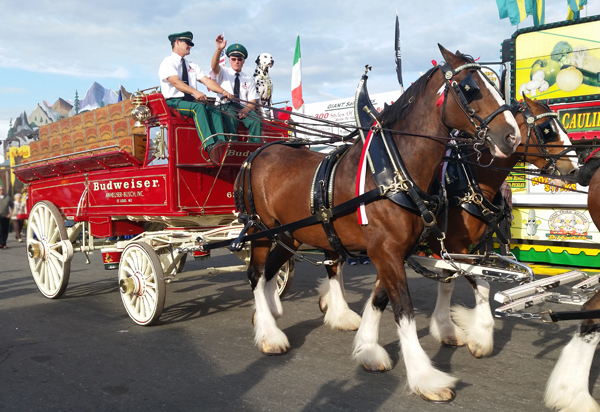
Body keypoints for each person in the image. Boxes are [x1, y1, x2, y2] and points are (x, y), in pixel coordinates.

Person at [158, 31, 234, 150]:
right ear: (177, 42)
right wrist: (195, 92)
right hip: (172, 102)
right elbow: (175, 82)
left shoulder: (192, 65)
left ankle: (221, 144)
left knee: (213, 108)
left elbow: (207, 81)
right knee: (198, 108)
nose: (190, 46)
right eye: (187, 43)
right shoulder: (168, 62)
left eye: (191, 43)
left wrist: (223, 92)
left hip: (190, 101)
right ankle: (208, 145)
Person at [211, 35, 262, 141]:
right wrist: (219, 50)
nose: (236, 61)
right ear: (229, 60)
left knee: (256, 120)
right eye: (233, 59)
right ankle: (233, 146)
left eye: (239, 59)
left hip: (243, 108)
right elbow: (214, 66)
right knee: (231, 118)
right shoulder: (223, 72)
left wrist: (246, 110)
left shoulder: (248, 79)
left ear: (243, 61)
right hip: (226, 106)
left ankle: (253, 148)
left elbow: (253, 100)